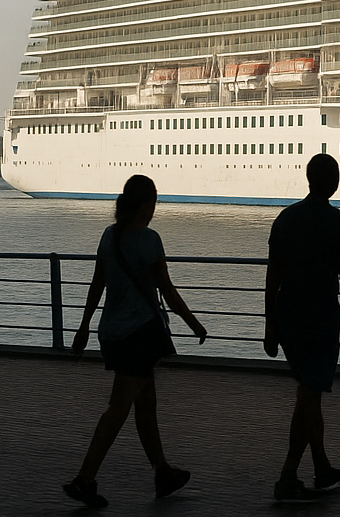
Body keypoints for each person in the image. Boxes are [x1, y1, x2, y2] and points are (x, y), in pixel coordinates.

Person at [64, 174, 208, 509]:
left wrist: (83, 326)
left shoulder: (109, 236)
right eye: (153, 202)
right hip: (139, 333)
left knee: (145, 400)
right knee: (119, 407)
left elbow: (97, 283)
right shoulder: (149, 240)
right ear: (144, 205)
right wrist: (194, 323)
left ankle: (162, 470)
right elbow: (166, 290)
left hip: (111, 331)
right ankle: (85, 477)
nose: (155, 209)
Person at [264, 153, 340, 502]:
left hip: (288, 313)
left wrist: (269, 323)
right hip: (321, 317)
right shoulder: (336, 221)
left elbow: (272, 275)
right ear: (333, 181)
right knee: (310, 394)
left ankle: (321, 466)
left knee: (310, 393)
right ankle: (287, 475)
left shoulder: (285, 218)